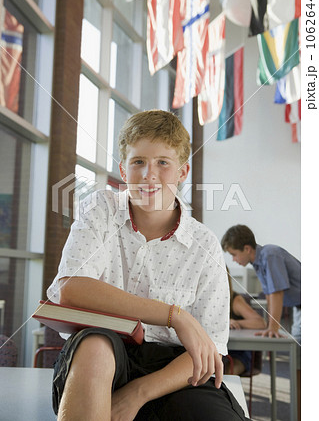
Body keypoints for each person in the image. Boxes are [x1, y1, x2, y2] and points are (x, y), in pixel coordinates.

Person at [47, 110, 250, 421]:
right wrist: (174, 316)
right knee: (96, 343)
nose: (148, 174)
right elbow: (71, 288)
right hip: (100, 360)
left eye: (163, 163)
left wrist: (135, 394)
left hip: (174, 374)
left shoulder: (204, 243)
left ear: (183, 171)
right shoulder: (100, 209)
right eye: (138, 162)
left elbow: (209, 349)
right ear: (123, 170)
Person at [221, 224, 301, 420]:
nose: (233, 259)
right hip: (300, 308)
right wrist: (270, 325)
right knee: (299, 362)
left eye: (234, 254)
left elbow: (277, 292)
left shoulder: (270, 255)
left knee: (301, 360)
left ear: (247, 249)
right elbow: (270, 295)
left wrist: (272, 326)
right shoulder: (258, 263)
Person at [223, 269, 266, 375]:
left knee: (226, 373)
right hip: (214, 350)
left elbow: (260, 323)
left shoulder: (234, 300)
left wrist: (232, 322)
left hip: (237, 353)